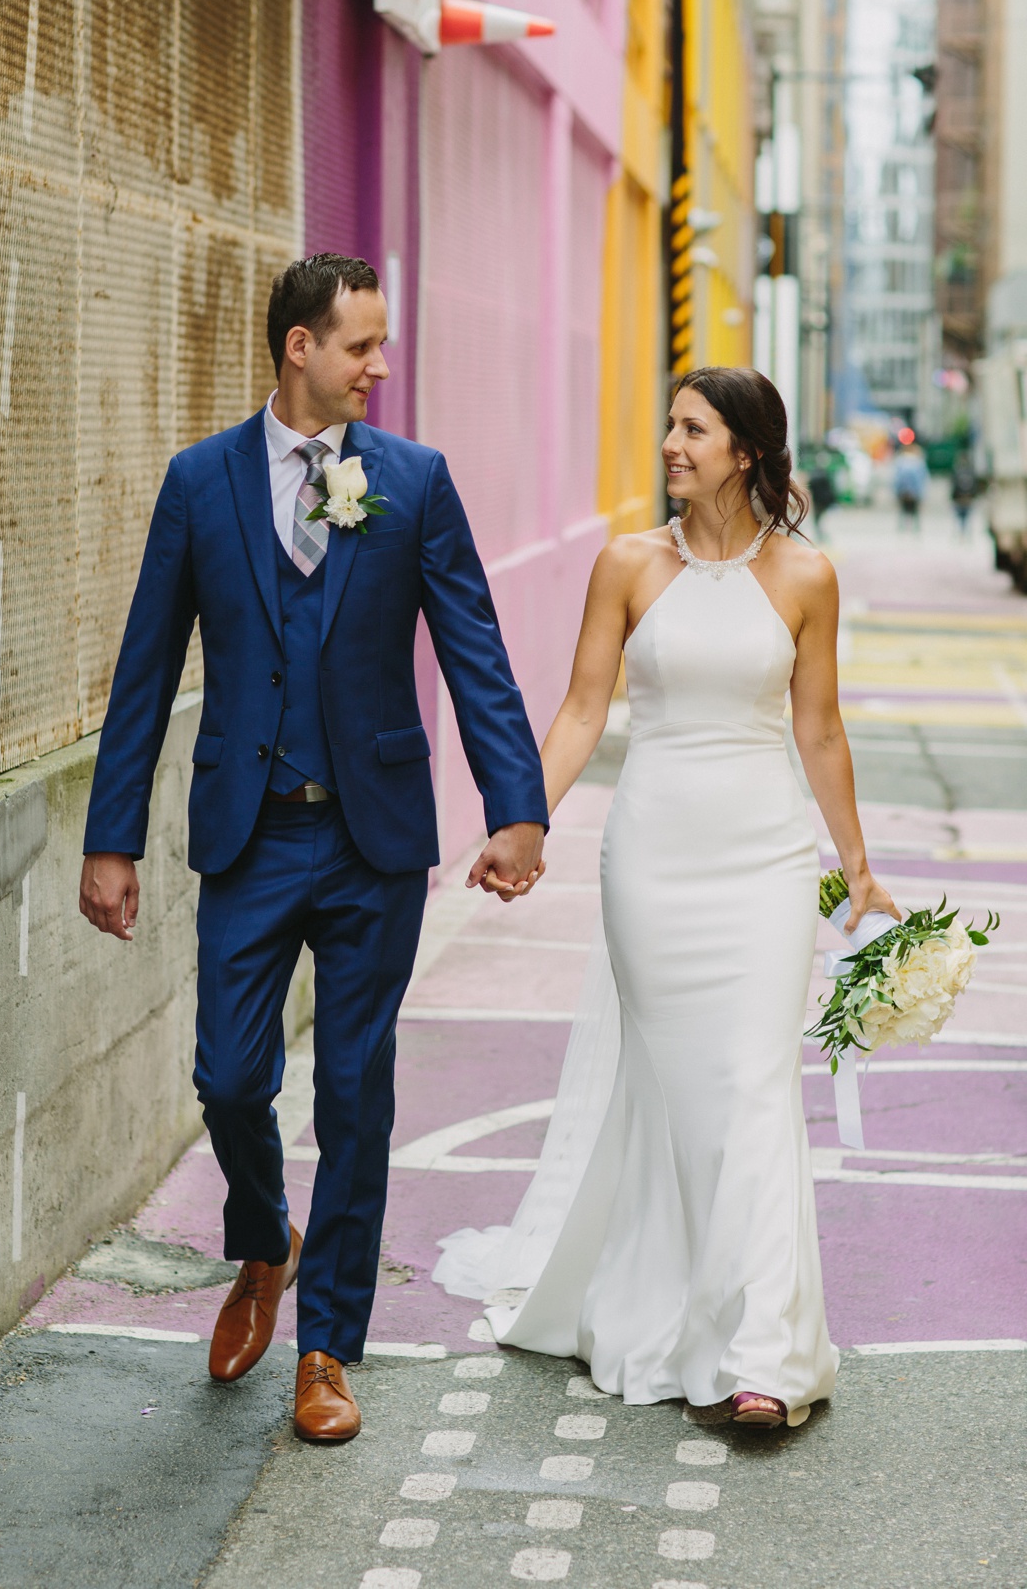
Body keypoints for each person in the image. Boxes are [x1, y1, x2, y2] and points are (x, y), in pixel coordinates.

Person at [80, 253, 547, 1443]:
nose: (379, 367)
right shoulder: (199, 483)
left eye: (381, 345)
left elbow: (475, 649)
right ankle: (261, 1242)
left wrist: (517, 803)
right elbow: (145, 670)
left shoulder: (413, 481)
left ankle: (328, 1344)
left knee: (356, 1090)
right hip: (249, 835)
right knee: (230, 1076)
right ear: (299, 346)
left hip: (371, 838)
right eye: (360, 346)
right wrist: (111, 836)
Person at [435, 364, 898, 1428]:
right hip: (652, 856)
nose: (671, 443)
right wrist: (523, 822)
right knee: (683, 1089)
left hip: (769, 858)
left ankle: (770, 1356)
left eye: (694, 429)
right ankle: (680, 1311)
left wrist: (857, 865)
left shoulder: (806, 576)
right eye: (672, 425)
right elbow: (583, 710)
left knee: (751, 1084)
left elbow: (819, 729)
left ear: (746, 450)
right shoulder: (628, 564)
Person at [893, 441, 928, 528]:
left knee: (902, 511)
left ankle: (902, 527)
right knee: (915, 512)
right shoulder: (919, 462)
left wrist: (895, 492)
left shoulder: (900, 462)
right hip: (915, 491)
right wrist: (922, 494)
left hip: (902, 491)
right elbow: (923, 479)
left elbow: (896, 478)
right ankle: (915, 528)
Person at [951, 450, 978, 534]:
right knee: (967, 516)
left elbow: (953, 485)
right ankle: (967, 532)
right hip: (968, 497)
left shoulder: (956, 470)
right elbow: (974, 484)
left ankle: (961, 531)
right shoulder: (971, 471)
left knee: (959, 516)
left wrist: (953, 497)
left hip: (959, 497)